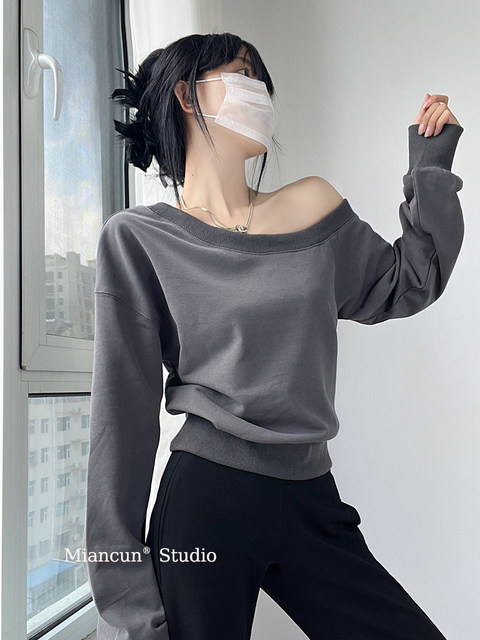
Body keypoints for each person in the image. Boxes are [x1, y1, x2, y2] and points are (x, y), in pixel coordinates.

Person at [83, 31, 464, 640]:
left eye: (263, 81)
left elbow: (410, 281)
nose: (260, 92)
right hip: (206, 499)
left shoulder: (313, 205)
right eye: (243, 75)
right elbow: (119, 427)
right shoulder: (138, 238)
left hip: (311, 493)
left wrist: (430, 164)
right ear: (186, 94)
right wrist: (128, 607)